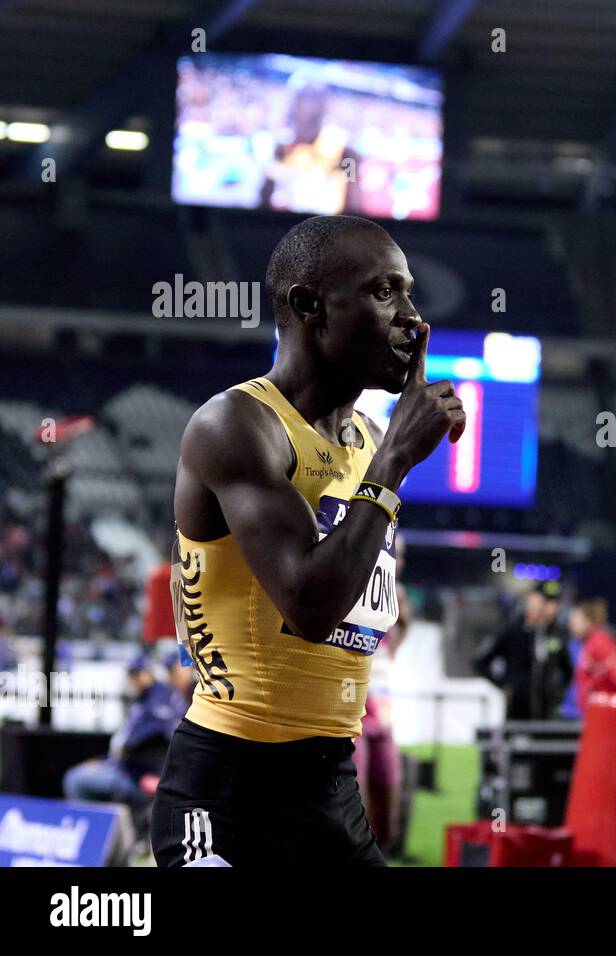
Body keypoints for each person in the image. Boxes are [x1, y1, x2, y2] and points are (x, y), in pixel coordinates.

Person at [151, 214, 466, 867]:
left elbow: (357, 595)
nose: (411, 318)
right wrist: (392, 468)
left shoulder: (370, 440)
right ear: (308, 306)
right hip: (227, 791)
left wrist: (386, 457)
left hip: (327, 786)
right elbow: (311, 606)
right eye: (384, 293)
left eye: (409, 293)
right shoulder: (236, 424)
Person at [64, 652, 189, 808]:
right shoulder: (143, 700)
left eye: (137, 673)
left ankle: (91, 827)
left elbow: (153, 735)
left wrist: (121, 753)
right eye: (131, 674)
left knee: (75, 780)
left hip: (139, 774)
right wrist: (105, 761)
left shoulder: (160, 696)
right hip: (125, 768)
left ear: (148, 673)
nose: (133, 679)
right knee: (83, 771)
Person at [354, 532, 410, 855]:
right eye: (395, 552)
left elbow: (395, 641)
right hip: (354, 711)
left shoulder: (397, 595)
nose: (398, 560)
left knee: (387, 815)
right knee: (354, 802)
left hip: (383, 714)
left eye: (402, 555)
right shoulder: (355, 581)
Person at [474, 581, 572, 720]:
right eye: (546, 601)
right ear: (532, 600)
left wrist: (557, 694)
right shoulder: (513, 630)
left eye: (555, 602)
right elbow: (480, 661)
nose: (551, 607)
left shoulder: (556, 633)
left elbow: (567, 670)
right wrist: (504, 685)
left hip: (546, 714)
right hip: (517, 711)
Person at [571, 598, 616, 714]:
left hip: (604, 713)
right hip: (594, 712)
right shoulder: (589, 643)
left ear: (588, 621)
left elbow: (614, 676)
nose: (572, 623)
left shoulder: (600, 643)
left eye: (576, 618)